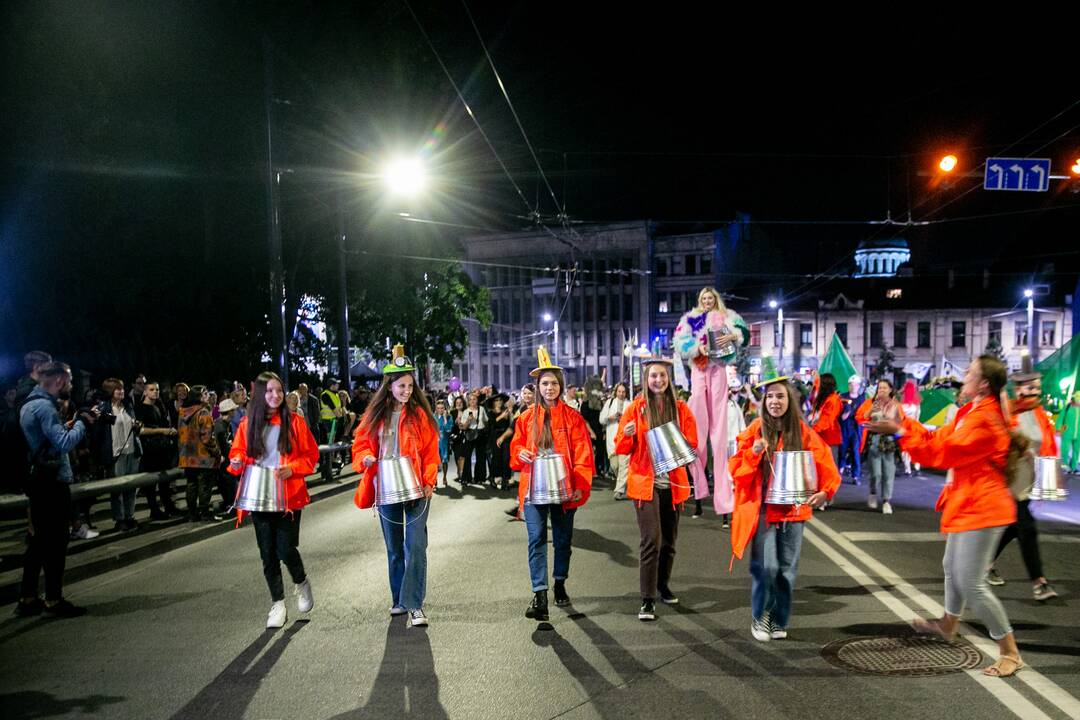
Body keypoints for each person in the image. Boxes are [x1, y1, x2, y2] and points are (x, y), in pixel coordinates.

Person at [866, 355, 1023, 677]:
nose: (964, 374)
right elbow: (940, 440)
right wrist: (903, 427)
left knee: (972, 582)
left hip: (985, 506)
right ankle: (948, 624)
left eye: (970, 372)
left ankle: (1010, 652)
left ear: (983, 384)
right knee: (952, 567)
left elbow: (943, 452)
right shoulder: (973, 412)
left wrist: (899, 431)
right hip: (970, 502)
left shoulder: (986, 418)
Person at [729, 368, 839, 642]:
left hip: (794, 511)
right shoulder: (754, 430)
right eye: (769, 397)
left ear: (789, 400)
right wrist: (753, 454)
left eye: (780, 396)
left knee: (788, 568)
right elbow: (736, 471)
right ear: (764, 401)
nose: (774, 401)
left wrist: (826, 491)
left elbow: (825, 462)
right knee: (767, 568)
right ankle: (760, 616)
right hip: (764, 510)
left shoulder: (803, 431)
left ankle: (778, 619)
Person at [352, 345, 439, 628]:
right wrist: (364, 458)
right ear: (389, 386)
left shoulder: (420, 416)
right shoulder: (375, 415)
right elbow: (361, 443)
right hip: (386, 486)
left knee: (415, 544)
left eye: (410, 386)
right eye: (401, 386)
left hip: (416, 488)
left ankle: (415, 604)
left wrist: (429, 481)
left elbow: (430, 453)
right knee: (394, 548)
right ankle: (399, 599)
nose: (406, 391)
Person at [228, 371, 319, 628]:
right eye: (269, 391)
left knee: (285, 548)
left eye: (279, 390)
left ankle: (301, 582)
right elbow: (238, 454)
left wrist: (294, 468)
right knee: (266, 552)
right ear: (259, 394)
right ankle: (277, 604)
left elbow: (311, 456)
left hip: (288, 495)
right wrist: (236, 462)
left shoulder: (296, 423)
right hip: (259, 495)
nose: (275, 395)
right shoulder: (248, 425)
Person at [509, 348, 594, 622]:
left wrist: (580, 483)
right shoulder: (525, 418)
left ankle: (559, 583)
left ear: (561, 386)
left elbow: (583, 453)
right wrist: (519, 452)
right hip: (534, 488)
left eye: (554, 383)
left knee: (562, 540)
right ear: (537, 386)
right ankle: (540, 594)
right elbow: (516, 448)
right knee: (536, 540)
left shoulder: (573, 418)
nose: (549, 388)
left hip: (564, 488)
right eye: (544, 383)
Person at [614, 358, 698, 621]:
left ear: (668, 378)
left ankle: (663, 585)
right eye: (653, 377)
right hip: (645, 484)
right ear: (646, 380)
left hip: (673, 485)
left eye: (662, 376)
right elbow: (621, 447)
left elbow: (693, 445)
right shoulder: (636, 409)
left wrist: (681, 442)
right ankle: (647, 599)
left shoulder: (681, 408)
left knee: (669, 543)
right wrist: (627, 434)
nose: (658, 381)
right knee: (652, 540)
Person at [15, 362, 98, 618]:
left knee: (38, 542)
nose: (71, 386)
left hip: (37, 481)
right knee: (55, 543)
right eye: (70, 381)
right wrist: (83, 423)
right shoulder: (44, 407)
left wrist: (70, 422)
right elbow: (63, 443)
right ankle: (53, 599)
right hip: (51, 483)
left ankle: (28, 598)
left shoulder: (28, 404)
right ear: (60, 381)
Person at [673, 286, 749, 517]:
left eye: (710, 298)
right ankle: (699, 489)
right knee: (696, 433)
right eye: (703, 298)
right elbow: (680, 341)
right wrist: (698, 348)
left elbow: (742, 333)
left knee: (719, 433)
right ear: (700, 300)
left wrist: (734, 335)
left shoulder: (729, 316)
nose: (707, 301)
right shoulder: (690, 319)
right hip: (699, 368)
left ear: (715, 299)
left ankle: (723, 498)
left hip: (718, 368)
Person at [986, 362, 1058, 600]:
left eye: (1034, 387)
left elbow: (1047, 446)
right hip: (1008, 479)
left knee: (1014, 527)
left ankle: (985, 564)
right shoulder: (1008, 411)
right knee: (1026, 528)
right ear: (1017, 388)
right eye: (1025, 387)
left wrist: (1046, 486)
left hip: (1027, 482)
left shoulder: (1039, 414)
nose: (1031, 392)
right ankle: (1039, 582)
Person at [95, 378, 142, 532]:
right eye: (117, 389)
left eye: (122, 388)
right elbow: (98, 434)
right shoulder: (103, 409)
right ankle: (120, 519)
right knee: (117, 490)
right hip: (115, 453)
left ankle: (130, 516)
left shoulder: (128, 406)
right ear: (110, 392)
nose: (121, 391)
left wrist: (137, 426)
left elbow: (134, 426)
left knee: (131, 488)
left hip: (132, 451)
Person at [134, 381, 180, 519]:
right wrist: (162, 430)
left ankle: (168, 506)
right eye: (152, 389)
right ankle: (154, 509)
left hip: (161, 448)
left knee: (164, 480)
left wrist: (169, 431)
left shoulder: (158, 406)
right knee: (152, 482)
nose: (156, 392)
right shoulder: (140, 408)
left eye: (157, 389)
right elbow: (141, 430)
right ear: (145, 392)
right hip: (150, 449)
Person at [855, 379, 902, 513]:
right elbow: (860, 417)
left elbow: (901, 423)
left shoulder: (895, 405)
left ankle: (887, 500)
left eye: (884, 388)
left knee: (888, 473)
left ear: (890, 390)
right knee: (876, 473)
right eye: (879, 388)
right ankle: (873, 492)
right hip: (874, 440)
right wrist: (870, 410)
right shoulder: (870, 403)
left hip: (889, 441)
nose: (881, 390)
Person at [178, 385, 217, 521]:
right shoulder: (203, 413)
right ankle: (205, 512)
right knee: (204, 485)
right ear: (199, 397)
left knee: (191, 484)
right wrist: (216, 452)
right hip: (202, 455)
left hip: (187, 456)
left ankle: (192, 513)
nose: (209, 396)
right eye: (206, 394)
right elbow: (207, 438)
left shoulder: (182, 413)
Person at [600, 383, 630, 500]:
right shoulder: (609, 403)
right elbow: (601, 419)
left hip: (625, 439)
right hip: (612, 439)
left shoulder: (630, 404)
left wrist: (624, 419)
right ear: (616, 392)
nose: (621, 394)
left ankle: (619, 490)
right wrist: (610, 418)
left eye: (623, 392)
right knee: (615, 466)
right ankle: (623, 484)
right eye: (619, 391)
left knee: (624, 465)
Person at [810, 373, 843, 468]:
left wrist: (812, 431)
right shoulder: (825, 399)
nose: (817, 385)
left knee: (829, 468)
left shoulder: (833, 400)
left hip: (829, 439)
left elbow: (826, 421)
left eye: (819, 383)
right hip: (821, 437)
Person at [458, 391, 489, 485]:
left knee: (481, 457)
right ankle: (466, 478)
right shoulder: (466, 412)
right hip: (470, 434)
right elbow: (463, 427)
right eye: (470, 399)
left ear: (477, 400)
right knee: (467, 456)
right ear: (468, 401)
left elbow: (486, 421)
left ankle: (479, 478)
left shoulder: (482, 409)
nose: (472, 401)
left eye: (474, 399)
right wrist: (468, 420)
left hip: (480, 434)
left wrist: (481, 424)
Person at [839, 375, 866, 484]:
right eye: (851, 384)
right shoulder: (842, 397)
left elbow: (865, 413)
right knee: (842, 450)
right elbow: (837, 412)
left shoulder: (862, 399)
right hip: (844, 427)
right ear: (848, 385)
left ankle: (856, 476)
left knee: (855, 451)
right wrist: (843, 416)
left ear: (858, 386)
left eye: (855, 384)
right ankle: (839, 471)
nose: (853, 386)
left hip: (856, 428)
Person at [487, 394, 512, 489]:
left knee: (506, 458)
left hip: (505, 436)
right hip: (495, 436)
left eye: (500, 400)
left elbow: (510, 424)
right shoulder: (491, 412)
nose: (499, 402)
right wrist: (501, 416)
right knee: (496, 458)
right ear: (493, 402)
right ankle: (493, 478)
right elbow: (491, 423)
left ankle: (505, 481)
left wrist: (508, 414)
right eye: (496, 400)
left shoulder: (506, 411)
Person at [1057, 391, 1080, 474]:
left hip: (1079, 434)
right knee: (1065, 450)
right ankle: (1065, 466)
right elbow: (1060, 418)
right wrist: (1058, 429)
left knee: (1076, 451)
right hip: (1067, 432)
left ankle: (1073, 467)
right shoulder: (1067, 407)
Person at [433, 399, 454, 487]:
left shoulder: (449, 417)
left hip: (444, 442)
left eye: (442, 408)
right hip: (434, 442)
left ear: (445, 409)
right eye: (438, 408)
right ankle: (434, 479)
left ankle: (444, 477)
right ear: (436, 409)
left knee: (444, 461)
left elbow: (448, 429)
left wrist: (445, 418)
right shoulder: (433, 417)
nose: (440, 410)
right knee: (434, 462)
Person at [320, 378, 344, 444]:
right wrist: (340, 417)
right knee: (330, 438)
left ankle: (332, 453)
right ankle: (328, 454)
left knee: (333, 438)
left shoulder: (335, 394)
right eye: (337, 384)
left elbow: (340, 407)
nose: (338, 385)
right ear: (332, 386)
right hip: (328, 420)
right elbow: (333, 407)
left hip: (334, 419)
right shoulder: (325, 394)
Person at [449, 395, 468, 481]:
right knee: (457, 456)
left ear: (463, 404)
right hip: (455, 437)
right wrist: (454, 421)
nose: (459, 404)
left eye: (460, 403)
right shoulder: (452, 412)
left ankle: (462, 474)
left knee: (462, 456)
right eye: (457, 403)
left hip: (464, 436)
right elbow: (450, 425)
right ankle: (459, 472)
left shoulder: (467, 412)